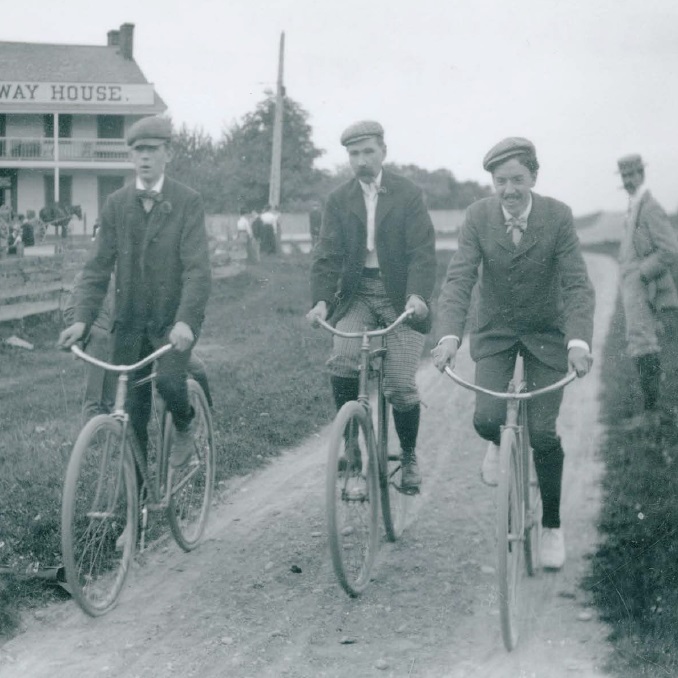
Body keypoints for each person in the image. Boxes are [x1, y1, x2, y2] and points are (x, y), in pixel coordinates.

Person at [431, 137, 595, 569]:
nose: (509, 190)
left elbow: (577, 284)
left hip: (546, 335)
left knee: (541, 433)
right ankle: (497, 443)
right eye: (500, 181)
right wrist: (449, 335)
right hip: (496, 334)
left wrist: (578, 342)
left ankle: (552, 526)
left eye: (518, 179)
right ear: (492, 183)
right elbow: (460, 279)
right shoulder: (477, 217)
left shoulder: (557, 216)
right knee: (487, 418)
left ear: (534, 177)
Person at [58, 115, 212, 472]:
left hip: (171, 322)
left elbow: (197, 270)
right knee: (130, 417)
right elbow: (97, 268)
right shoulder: (116, 203)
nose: (144, 157)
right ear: (131, 156)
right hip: (127, 324)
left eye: (152, 150)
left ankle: (186, 425)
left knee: (172, 381)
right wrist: (82, 321)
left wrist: (186, 321)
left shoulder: (187, 201)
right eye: (138, 150)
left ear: (168, 153)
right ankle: (137, 516)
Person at [307, 120, 436, 493]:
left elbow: (422, 253)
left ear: (383, 152)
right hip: (357, 294)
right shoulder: (338, 199)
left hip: (400, 297)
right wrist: (319, 301)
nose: (361, 160)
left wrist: (418, 296)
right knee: (344, 357)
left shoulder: (408, 194)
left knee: (399, 385)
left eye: (368, 152)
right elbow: (326, 255)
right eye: (354, 154)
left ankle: (408, 456)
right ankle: (351, 445)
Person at [63, 272, 213, 423]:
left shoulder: (135, 276)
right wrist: (88, 333)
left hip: (134, 340)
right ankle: (95, 441)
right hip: (98, 344)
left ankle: (205, 413)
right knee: (94, 397)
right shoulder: (87, 277)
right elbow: (70, 312)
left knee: (192, 370)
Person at [615, 153, 678, 430]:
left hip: (644, 288)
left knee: (644, 344)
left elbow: (670, 250)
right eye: (625, 176)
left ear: (642, 174)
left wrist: (641, 273)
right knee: (639, 343)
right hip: (633, 287)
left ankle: (652, 414)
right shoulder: (634, 206)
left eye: (633, 175)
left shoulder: (649, 207)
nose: (629, 181)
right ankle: (650, 412)